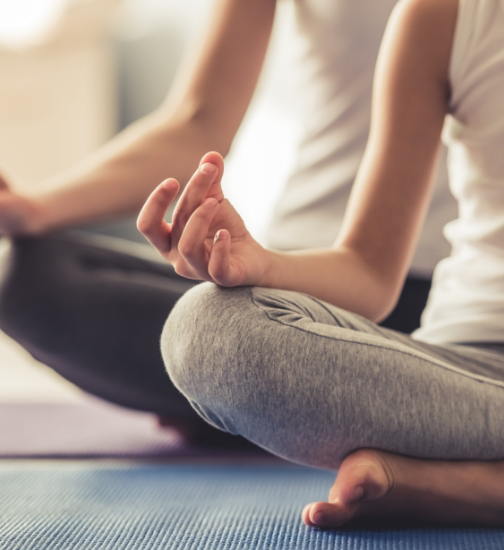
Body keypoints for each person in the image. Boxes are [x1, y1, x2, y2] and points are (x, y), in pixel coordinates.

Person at [136, 0, 504, 528]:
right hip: (464, 368)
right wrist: (259, 264)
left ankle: (483, 488)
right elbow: (369, 273)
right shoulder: (439, 18)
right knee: (207, 329)